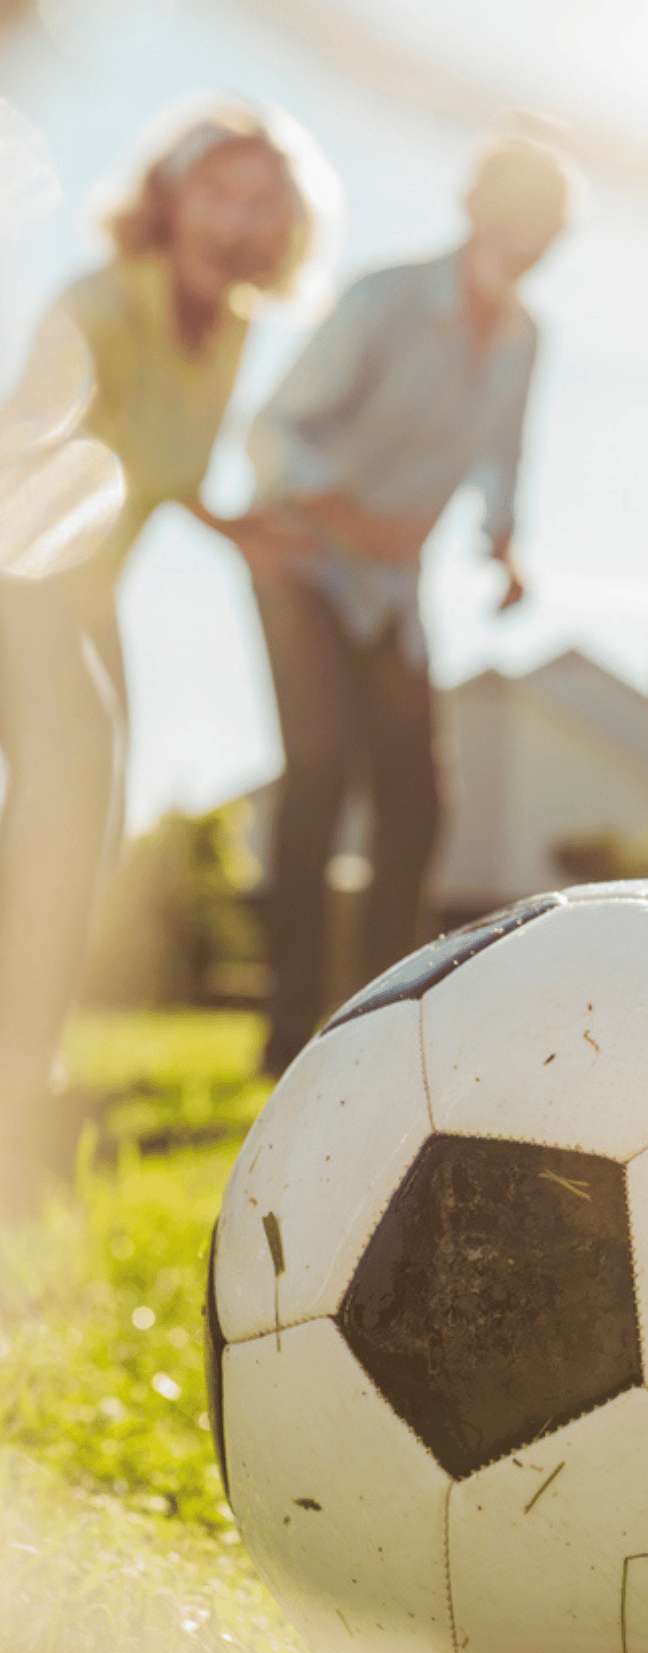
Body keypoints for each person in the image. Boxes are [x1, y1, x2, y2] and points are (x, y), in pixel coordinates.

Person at [0, 106, 315, 1207]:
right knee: (69, 785)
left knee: (81, 818)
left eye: (263, 201)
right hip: (22, 574)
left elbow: (164, 466)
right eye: (221, 192)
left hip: (92, 597)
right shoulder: (95, 302)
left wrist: (233, 526)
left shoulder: (230, 330)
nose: (240, 220)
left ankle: (22, 1067)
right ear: (170, 199)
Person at [244, 136, 570, 1076]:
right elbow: (274, 431)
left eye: (549, 224)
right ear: (476, 207)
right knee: (318, 769)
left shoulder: (525, 338)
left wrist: (505, 545)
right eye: (517, 211)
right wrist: (344, 510)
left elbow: (506, 453)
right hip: (299, 557)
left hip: (392, 585)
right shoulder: (385, 300)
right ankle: (284, 1028)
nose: (531, 236)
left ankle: (379, 1027)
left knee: (417, 798)